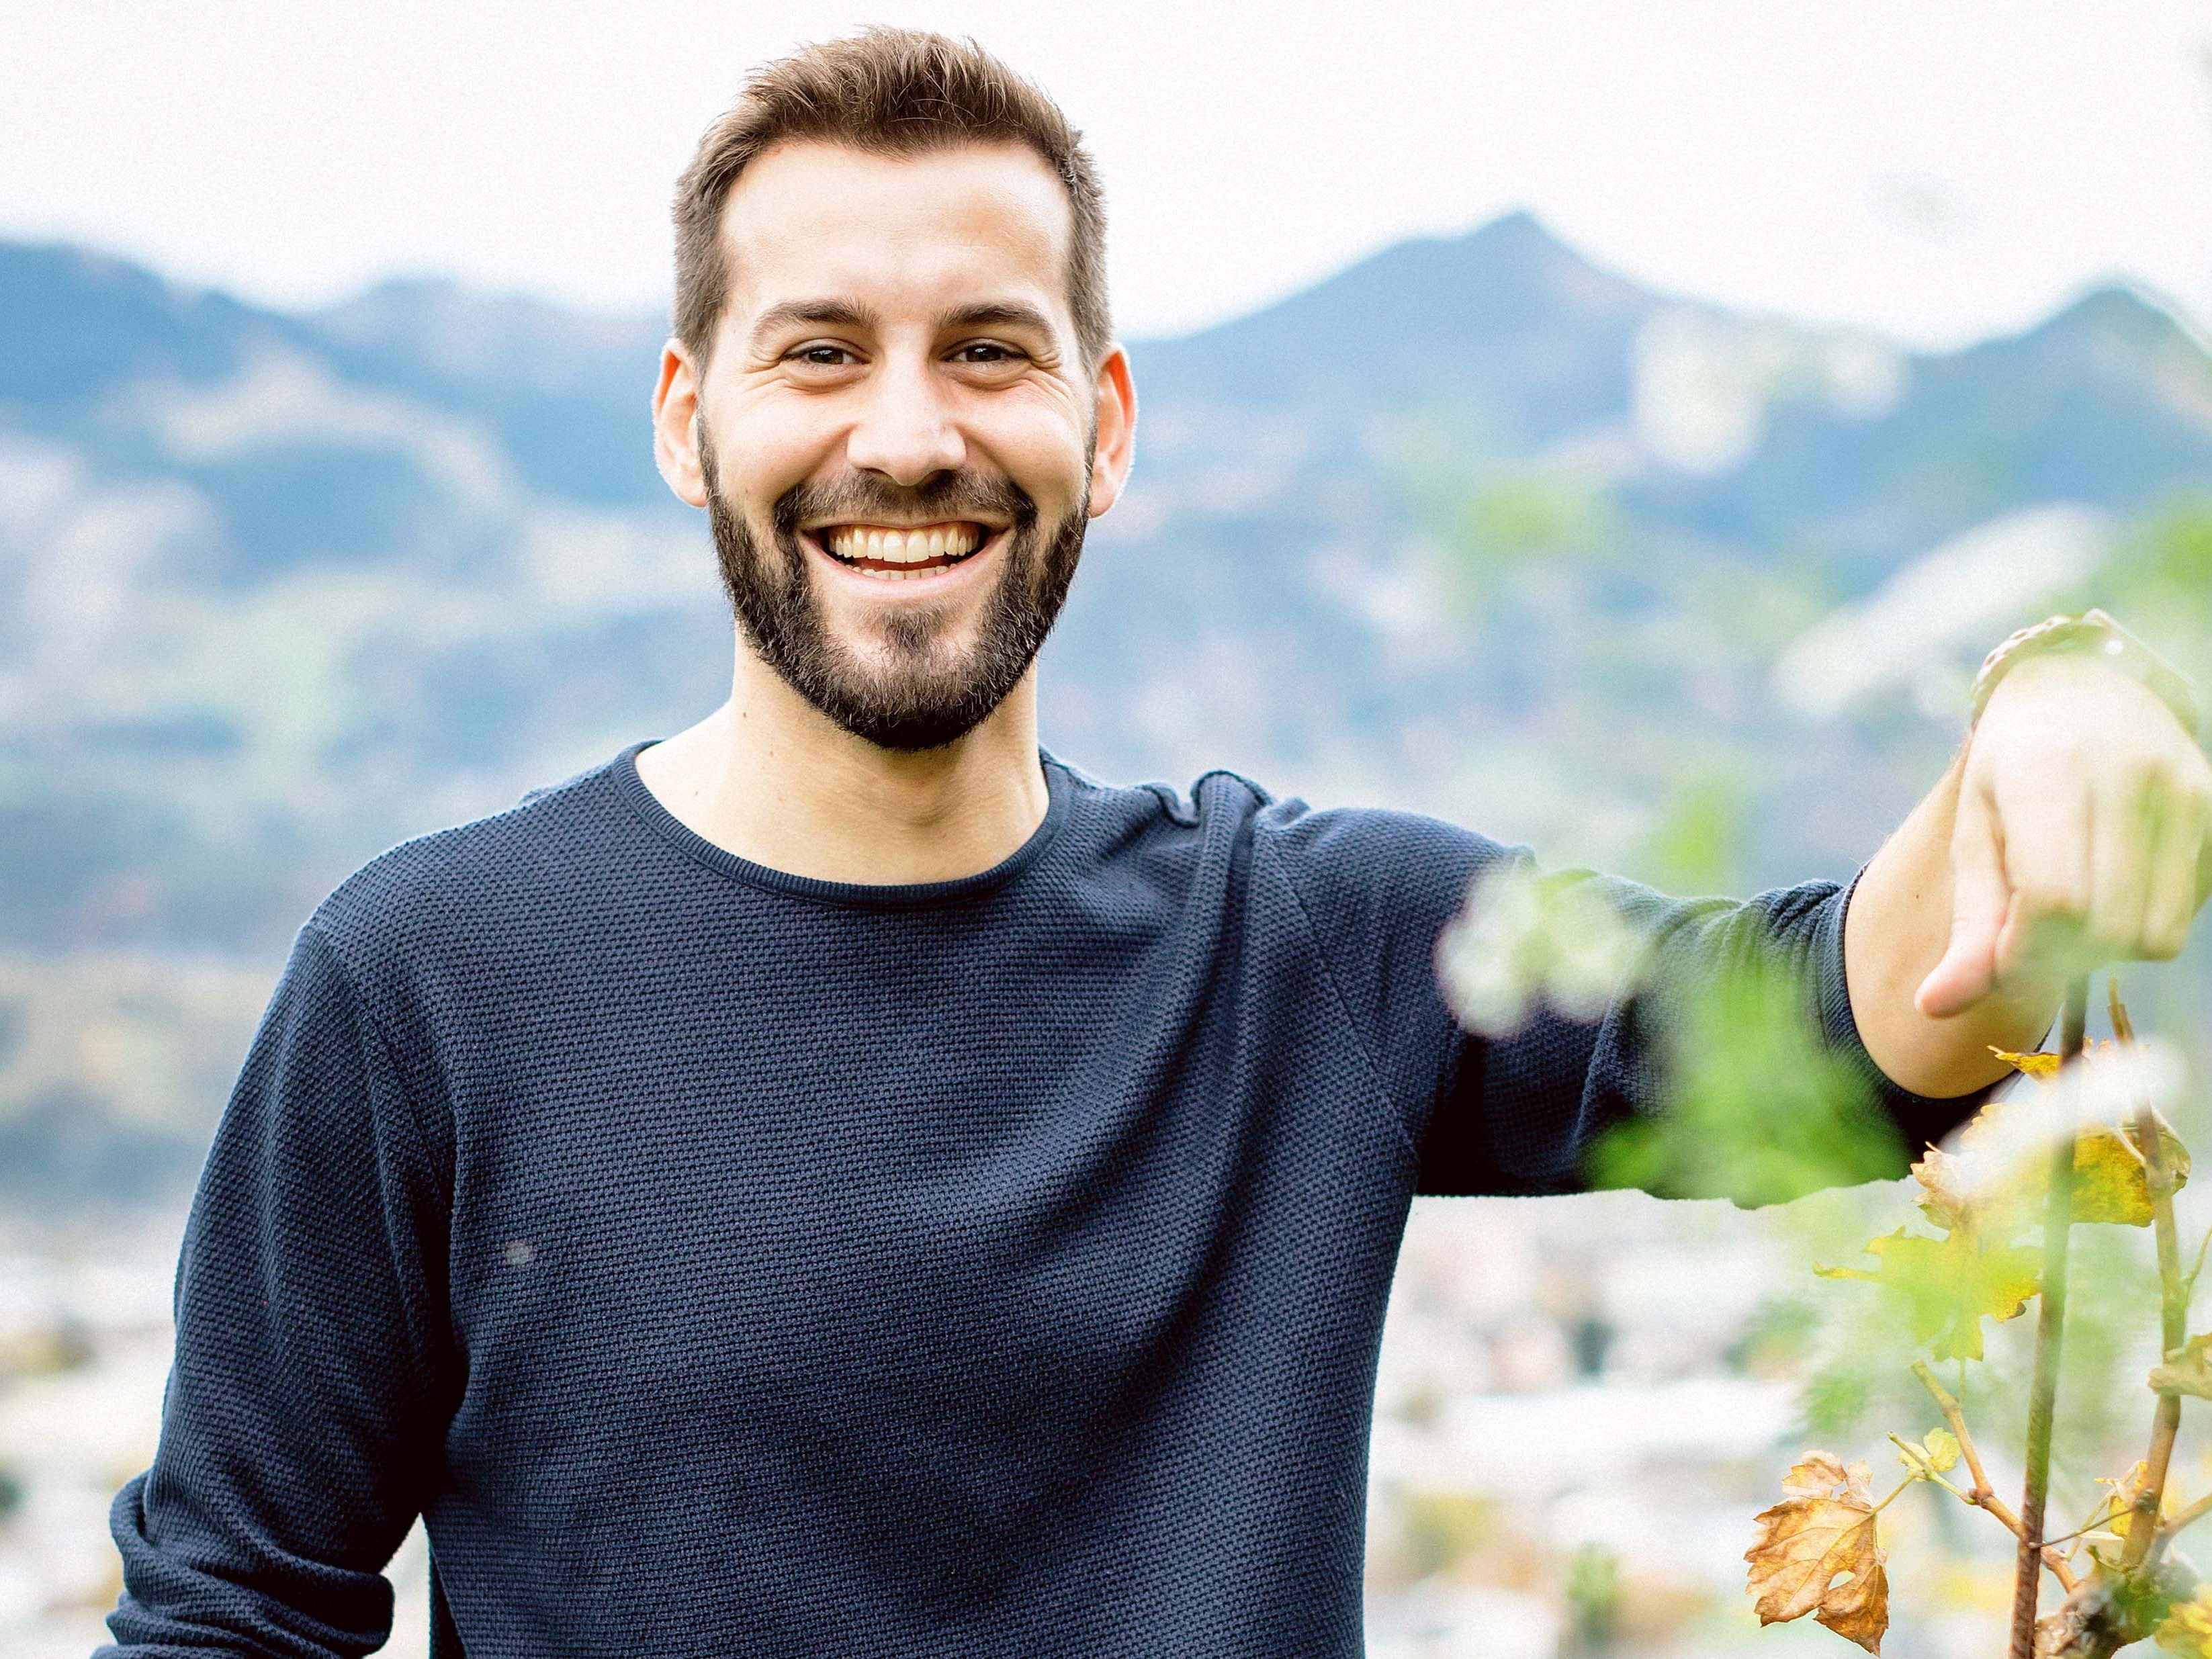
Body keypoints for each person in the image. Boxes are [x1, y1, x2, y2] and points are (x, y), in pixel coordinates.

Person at [97, 27, 2211, 1658]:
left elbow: (1847, 1032)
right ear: (686, 419)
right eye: (818, 349)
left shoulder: (1319, 949)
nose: (907, 433)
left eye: (987, 352)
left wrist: (2050, 692)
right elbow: (230, 1613)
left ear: (1103, 425)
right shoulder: (432, 986)